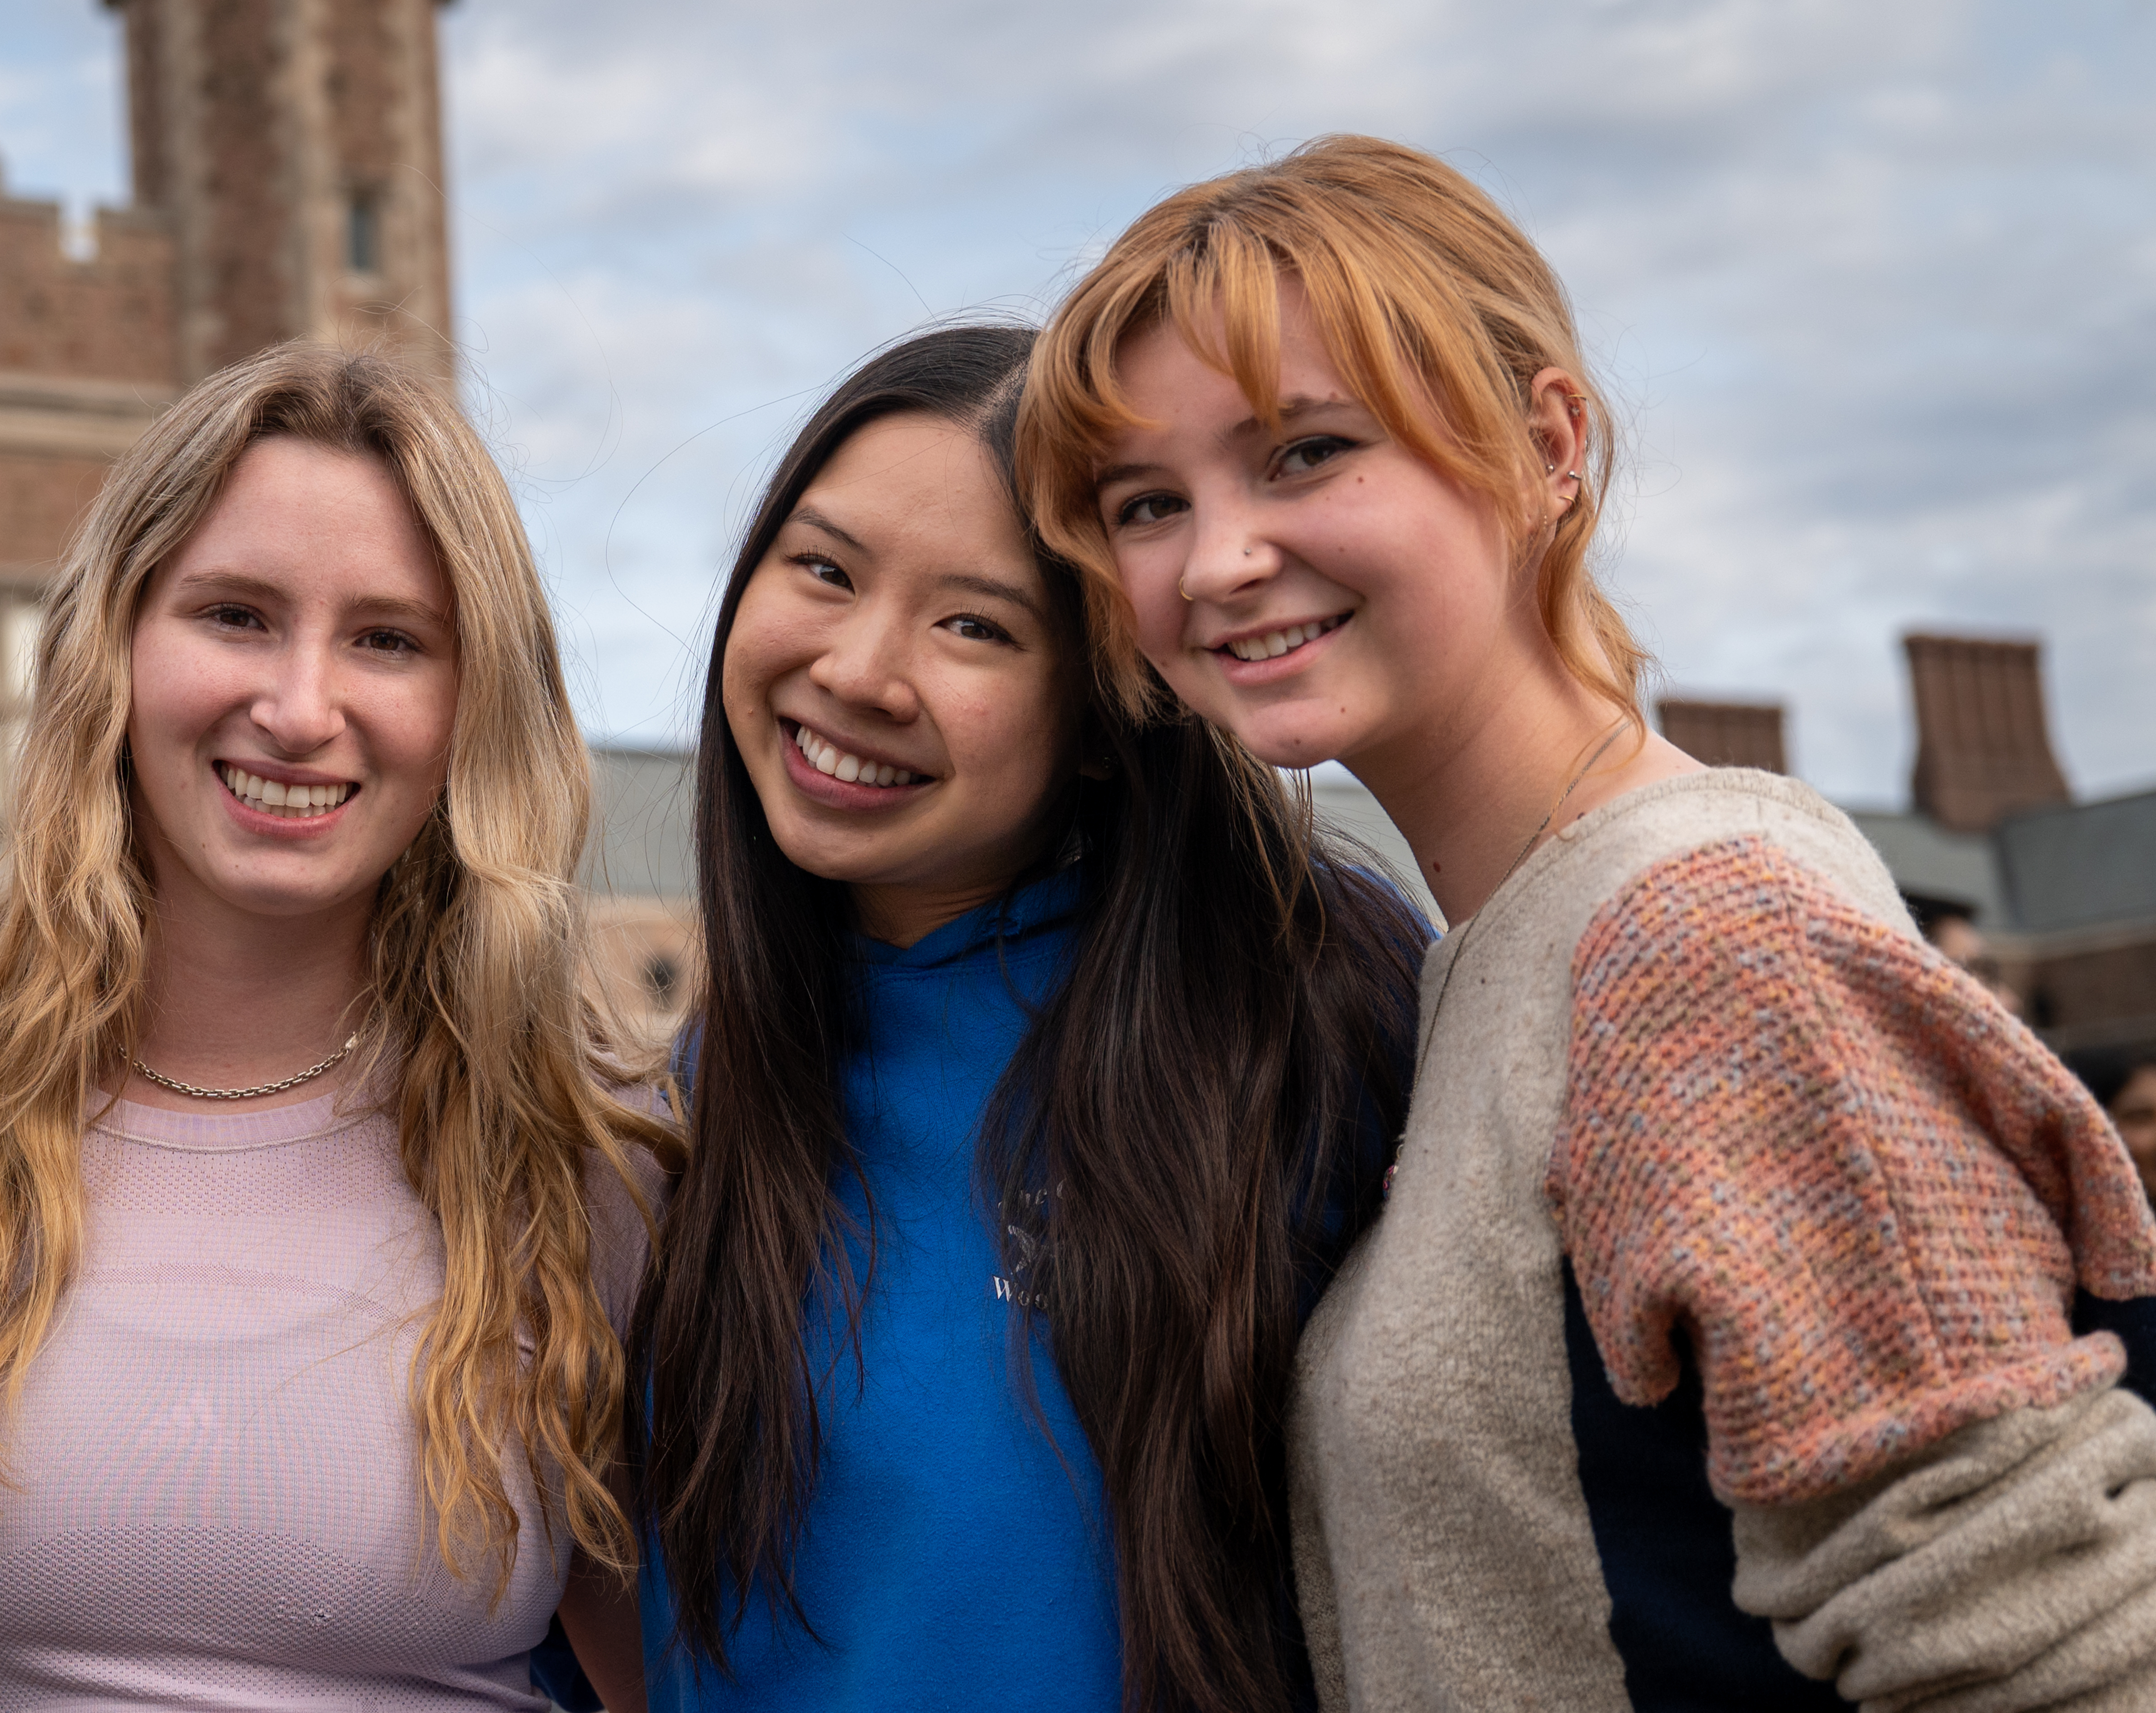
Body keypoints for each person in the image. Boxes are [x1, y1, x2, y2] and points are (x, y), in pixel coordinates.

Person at [1020, 134, 2156, 1708]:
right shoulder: (1495, 952)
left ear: (1547, 439)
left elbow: (2047, 1645)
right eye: (1147, 501)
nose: (1219, 559)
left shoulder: (1708, 940)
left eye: (1303, 452)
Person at [0, 344, 676, 1711]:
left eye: (389, 640)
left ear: (473, 707)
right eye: (234, 615)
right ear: (115, 644)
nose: (299, 709)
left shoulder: (587, 1159)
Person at [627, 325, 1424, 1713]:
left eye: (974, 626)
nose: (863, 672)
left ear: (1112, 709)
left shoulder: (1305, 1015)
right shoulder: (685, 1098)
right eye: (822, 570)